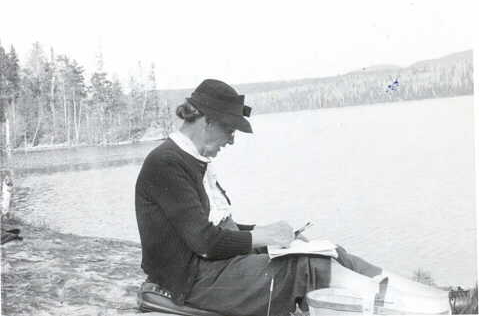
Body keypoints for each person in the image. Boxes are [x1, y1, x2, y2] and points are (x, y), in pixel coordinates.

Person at [135, 79, 473, 316]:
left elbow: (217, 227)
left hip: (211, 268)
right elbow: (205, 242)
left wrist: (275, 233)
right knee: (306, 266)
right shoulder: (166, 163)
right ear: (207, 122)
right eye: (230, 130)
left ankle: (446, 299)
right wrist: (266, 237)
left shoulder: (193, 159)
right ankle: (435, 310)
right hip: (190, 281)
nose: (232, 140)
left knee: (329, 251)